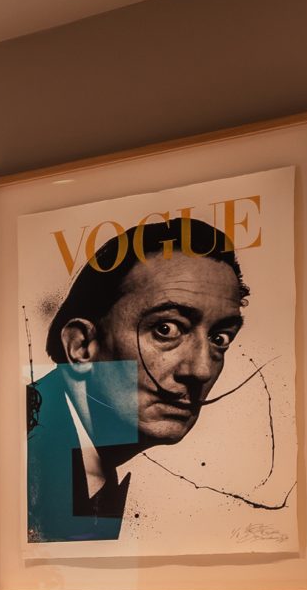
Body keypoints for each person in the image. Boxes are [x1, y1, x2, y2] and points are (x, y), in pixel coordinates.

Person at [25, 214, 248, 543]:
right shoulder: (19, 454)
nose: (200, 370)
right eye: (166, 329)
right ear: (82, 346)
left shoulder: (79, 462)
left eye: (219, 339)